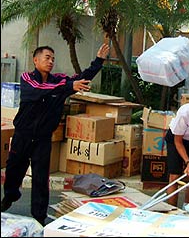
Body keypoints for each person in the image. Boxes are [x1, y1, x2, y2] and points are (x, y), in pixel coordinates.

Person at [1, 43, 110, 226]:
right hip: (23, 135)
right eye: (47, 57)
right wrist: (67, 87)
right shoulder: (27, 78)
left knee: (41, 178)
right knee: (14, 170)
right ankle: (10, 196)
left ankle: (39, 217)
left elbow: (81, 79)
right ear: (36, 60)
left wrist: (98, 61)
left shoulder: (59, 80)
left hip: (43, 139)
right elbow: (37, 92)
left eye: (53, 58)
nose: (51, 61)